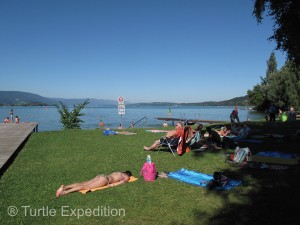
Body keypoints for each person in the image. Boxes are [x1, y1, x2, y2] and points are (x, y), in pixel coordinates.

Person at [56, 171, 132, 197]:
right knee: (85, 187)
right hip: (105, 180)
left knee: (83, 183)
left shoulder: (117, 172)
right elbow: (122, 182)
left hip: (101, 175)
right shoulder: (126, 176)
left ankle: (65, 187)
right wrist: (112, 185)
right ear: (128, 175)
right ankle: (65, 192)